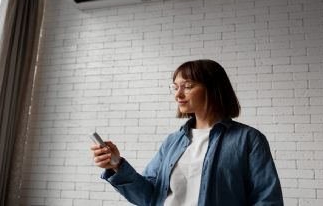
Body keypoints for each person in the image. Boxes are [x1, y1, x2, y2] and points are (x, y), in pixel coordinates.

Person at [91, 59, 283, 206]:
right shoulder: (173, 141)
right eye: (175, 87)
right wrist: (117, 164)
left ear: (214, 89)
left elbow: (267, 199)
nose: (178, 94)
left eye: (188, 86)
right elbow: (148, 196)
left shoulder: (249, 139)